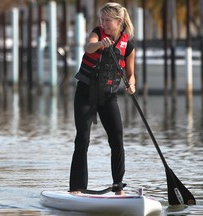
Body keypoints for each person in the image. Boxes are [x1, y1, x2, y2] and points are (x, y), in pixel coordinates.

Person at [69, 2, 136, 195]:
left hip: (108, 96)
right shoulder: (97, 33)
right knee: (82, 139)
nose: (104, 24)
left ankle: (118, 187)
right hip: (85, 93)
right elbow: (88, 48)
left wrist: (131, 84)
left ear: (119, 21)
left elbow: (131, 74)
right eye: (102, 20)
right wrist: (99, 44)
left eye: (108, 21)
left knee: (117, 139)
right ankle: (76, 189)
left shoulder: (128, 45)